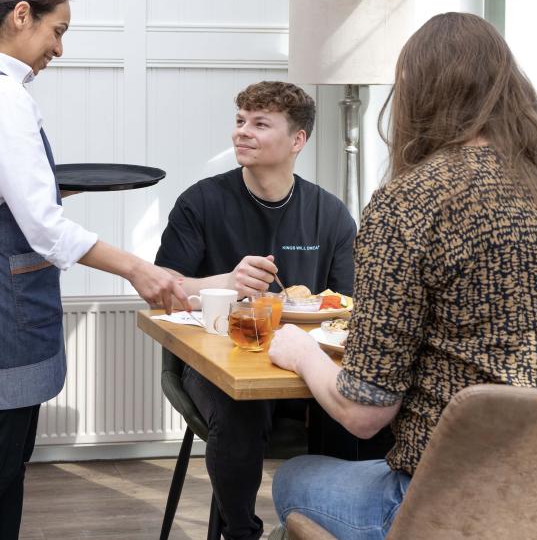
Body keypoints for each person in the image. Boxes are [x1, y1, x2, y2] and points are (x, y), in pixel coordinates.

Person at [267, 12, 537, 540]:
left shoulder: (411, 201)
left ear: (417, 97)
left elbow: (365, 412)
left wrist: (300, 352)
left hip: (455, 512)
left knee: (294, 478)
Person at [0, 0, 188, 540]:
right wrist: (138, 268)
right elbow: (44, 230)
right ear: (22, 17)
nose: (59, 49)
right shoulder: (1, 98)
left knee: (8, 466)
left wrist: (48, 184)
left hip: (0, 287)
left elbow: (1, 194)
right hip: (1, 298)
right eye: (57, 30)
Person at [155, 81, 389, 540]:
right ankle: (241, 532)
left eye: (260, 124)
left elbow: (350, 305)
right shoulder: (201, 202)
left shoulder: (330, 213)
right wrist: (226, 282)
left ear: (297, 141)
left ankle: (330, 525)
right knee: (241, 404)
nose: (243, 132)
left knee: (361, 401)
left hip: (304, 362)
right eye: (240, 120)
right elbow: (162, 291)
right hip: (215, 362)